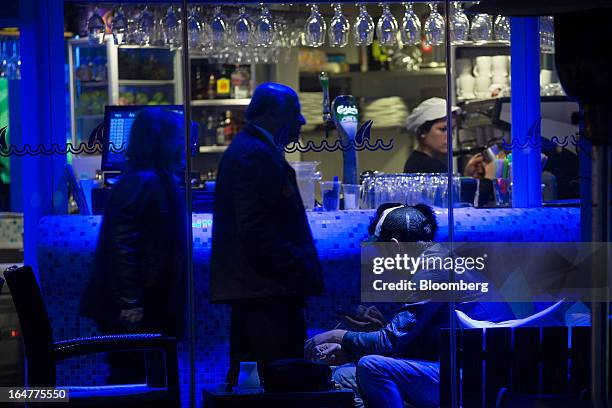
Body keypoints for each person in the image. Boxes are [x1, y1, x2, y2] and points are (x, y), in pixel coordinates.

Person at [305, 203, 513, 408]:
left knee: (370, 367)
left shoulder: (433, 269)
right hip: (478, 370)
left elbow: (391, 342)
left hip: (477, 379)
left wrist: (338, 336)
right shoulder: (439, 260)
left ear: (395, 246)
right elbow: (414, 342)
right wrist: (355, 346)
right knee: (345, 375)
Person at [210, 82, 324, 387]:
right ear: (273, 114)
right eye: (295, 112)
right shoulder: (254, 155)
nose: (301, 121)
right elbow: (256, 230)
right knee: (282, 382)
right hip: (268, 294)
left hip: (261, 291)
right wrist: (299, 263)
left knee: (262, 381)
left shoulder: (253, 150)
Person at [80, 107, 187, 384]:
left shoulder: (145, 178)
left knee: (139, 379)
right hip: (135, 308)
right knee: (136, 381)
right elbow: (122, 243)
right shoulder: (144, 181)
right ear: (159, 140)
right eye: (176, 136)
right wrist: (131, 300)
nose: (181, 143)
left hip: (140, 304)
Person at [404, 97, 484, 178]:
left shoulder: (417, 161)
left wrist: (468, 176)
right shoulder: (427, 167)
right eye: (443, 129)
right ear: (423, 132)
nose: (451, 136)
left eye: (452, 129)